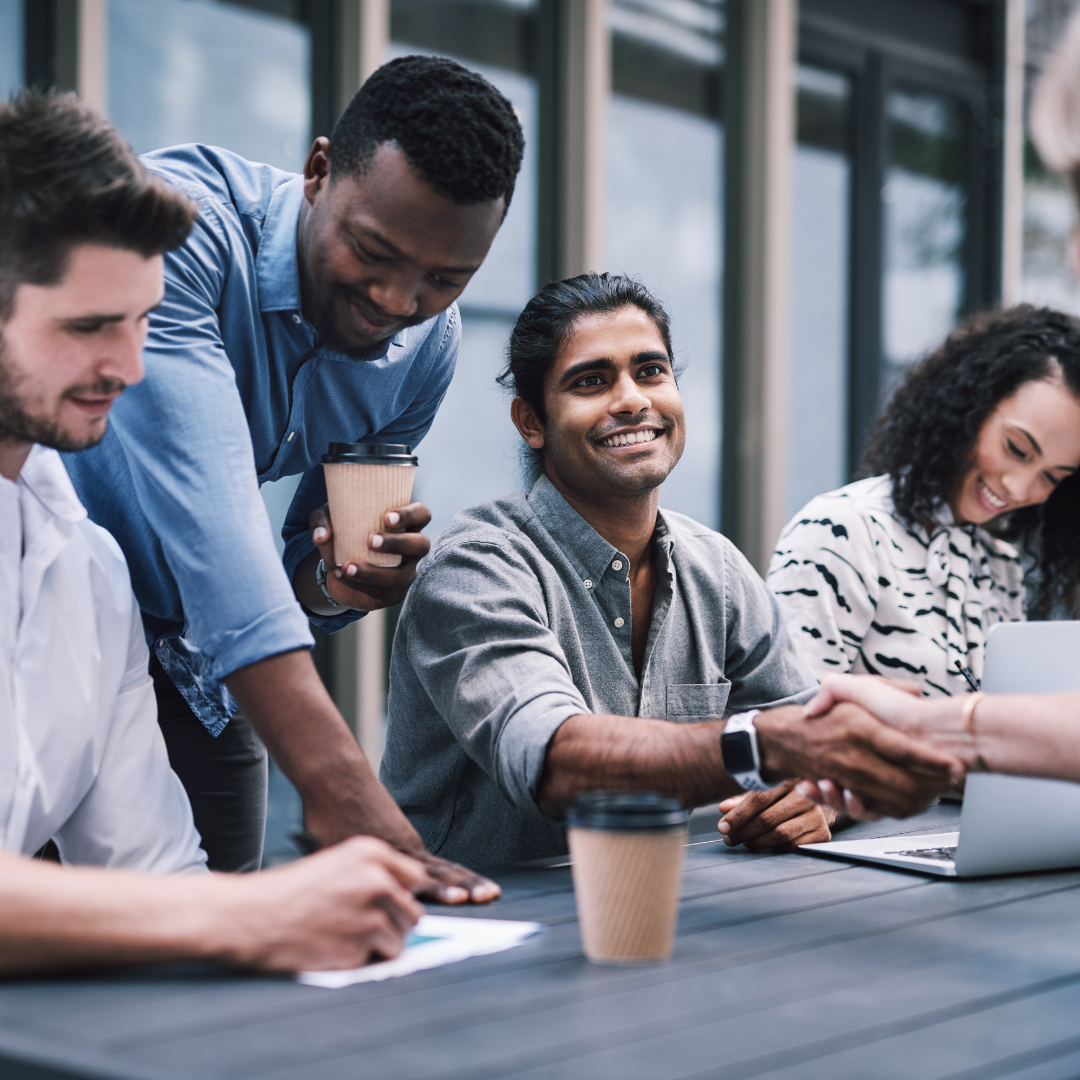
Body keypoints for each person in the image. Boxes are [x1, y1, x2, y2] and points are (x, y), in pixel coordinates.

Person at [61, 55, 524, 894]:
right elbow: (219, 539)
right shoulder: (182, 231)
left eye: (443, 279)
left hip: (191, 662)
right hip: (50, 620)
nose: (396, 300)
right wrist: (343, 785)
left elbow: (292, 572)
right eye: (374, 250)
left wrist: (341, 583)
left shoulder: (429, 345)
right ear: (318, 173)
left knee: (215, 943)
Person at [0, 89, 426, 976]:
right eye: (88, 328)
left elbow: (153, 869)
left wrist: (275, 912)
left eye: (146, 321)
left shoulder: (90, 573)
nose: (129, 367)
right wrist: (248, 911)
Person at [378, 274, 961, 868]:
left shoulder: (718, 570)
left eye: (651, 371)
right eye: (591, 380)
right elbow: (554, 761)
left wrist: (819, 799)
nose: (633, 399)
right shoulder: (475, 567)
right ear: (531, 422)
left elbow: (816, 750)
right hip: (471, 923)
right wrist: (774, 747)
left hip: (652, 909)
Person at [767, 306, 1080, 697]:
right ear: (971, 405)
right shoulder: (842, 531)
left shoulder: (1001, 566)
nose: (1019, 488)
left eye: (1053, 476)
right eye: (1016, 448)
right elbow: (786, 723)